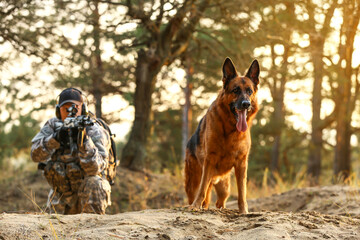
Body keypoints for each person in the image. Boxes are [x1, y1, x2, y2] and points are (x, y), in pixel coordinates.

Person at [31, 88, 112, 214]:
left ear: (83, 109)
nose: (70, 113)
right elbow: (35, 156)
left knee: (94, 181)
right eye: (65, 108)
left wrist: (84, 142)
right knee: (51, 230)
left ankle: (91, 223)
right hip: (61, 193)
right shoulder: (53, 126)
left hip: (89, 192)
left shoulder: (93, 129)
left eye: (75, 108)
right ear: (58, 111)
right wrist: (55, 139)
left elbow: (96, 169)